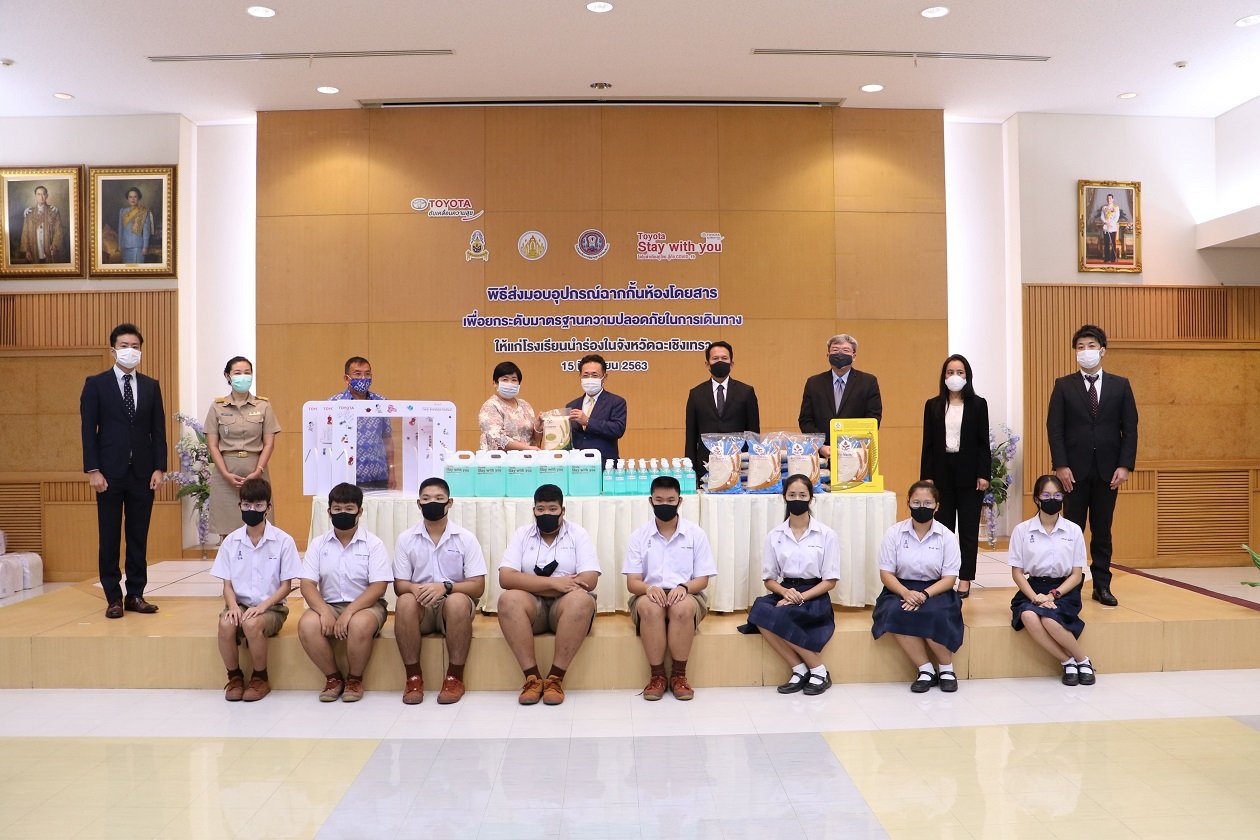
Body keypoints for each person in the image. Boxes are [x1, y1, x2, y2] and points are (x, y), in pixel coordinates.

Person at [80, 323, 167, 619]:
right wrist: (93, 470)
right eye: (124, 346)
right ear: (113, 350)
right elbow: (88, 431)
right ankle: (113, 597)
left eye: (135, 346)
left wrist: (159, 467)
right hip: (108, 473)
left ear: (141, 350)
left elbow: (158, 430)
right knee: (109, 537)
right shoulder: (96, 384)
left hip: (143, 473)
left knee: (138, 537)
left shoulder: (151, 386)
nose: (131, 351)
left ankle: (135, 594)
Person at [1046, 324, 1138, 606]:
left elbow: (1130, 429)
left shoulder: (1121, 385)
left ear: (1102, 351)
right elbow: (1055, 428)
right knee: (1071, 530)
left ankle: (1102, 585)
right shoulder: (1064, 385)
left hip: (1108, 471)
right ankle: (1070, 586)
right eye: (1080, 347)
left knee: (1102, 530)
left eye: (1091, 346)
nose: (1085, 351)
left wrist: (1125, 465)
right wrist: (1061, 465)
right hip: (1073, 472)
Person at [497, 484, 600, 706]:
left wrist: (528, 582)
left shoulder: (578, 534)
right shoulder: (522, 535)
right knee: (508, 599)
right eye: (541, 509)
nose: (546, 514)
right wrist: (555, 583)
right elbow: (506, 578)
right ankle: (532, 679)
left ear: (563, 510)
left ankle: (555, 679)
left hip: (564, 606)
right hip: (532, 606)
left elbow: (589, 579)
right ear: (533, 510)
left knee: (581, 600)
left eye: (552, 509)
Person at [393, 477, 486, 705]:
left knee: (457, 602)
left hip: (452, 604)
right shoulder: (406, 539)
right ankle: (413, 678)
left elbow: (478, 586)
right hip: (421, 605)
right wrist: (415, 588)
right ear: (418, 504)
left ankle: (454, 678)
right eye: (426, 499)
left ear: (449, 502)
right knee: (404, 601)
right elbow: (399, 585)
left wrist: (446, 587)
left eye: (438, 498)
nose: (432, 502)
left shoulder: (466, 538)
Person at [623, 476, 716, 701]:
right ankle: (657, 677)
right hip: (648, 594)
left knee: (681, 608)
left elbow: (702, 580)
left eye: (670, 500)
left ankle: (679, 676)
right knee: (651, 608)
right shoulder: (639, 536)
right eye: (659, 500)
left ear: (680, 501)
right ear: (651, 501)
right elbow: (632, 582)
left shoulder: (695, 534)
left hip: (687, 593)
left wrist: (684, 587)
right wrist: (647, 589)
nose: (665, 504)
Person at [747, 474, 840, 696]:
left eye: (802, 495)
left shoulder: (826, 534)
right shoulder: (774, 535)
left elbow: (830, 581)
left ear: (811, 498)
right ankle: (799, 669)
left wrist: (801, 597)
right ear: (784, 497)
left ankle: (819, 670)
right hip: (786, 590)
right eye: (792, 495)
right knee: (759, 611)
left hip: (814, 594)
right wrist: (785, 593)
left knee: (780, 615)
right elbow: (769, 579)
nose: (797, 499)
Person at [298, 483, 391, 702]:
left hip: (366, 606)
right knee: (307, 624)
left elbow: (379, 586)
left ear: (360, 511)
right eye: (337, 509)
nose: (343, 513)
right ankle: (333, 678)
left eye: (349, 509)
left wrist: (349, 612)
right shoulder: (318, 544)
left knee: (358, 624)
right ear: (329, 511)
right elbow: (307, 584)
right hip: (329, 604)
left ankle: (354, 680)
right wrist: (324, 612)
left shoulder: (373, 544)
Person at [210, 478, 299, 703]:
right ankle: (234, 677)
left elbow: (286, 587)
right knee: (225, 624)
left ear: (268, 507)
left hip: (272, 608)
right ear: (239, 505)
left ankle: (260, 678)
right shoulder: (231, 542)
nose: (252, 510)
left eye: (258, 505)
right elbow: (227, 585)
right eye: (247, 505)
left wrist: (262, 607)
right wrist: (232, 607)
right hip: (239, 604)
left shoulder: (284, 541)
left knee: (251, 624)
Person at [871, 482, 965, 693]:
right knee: (895, 611)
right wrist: (905, 593)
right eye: (916, 502)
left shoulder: (947, 536)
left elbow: (950, 578)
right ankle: (925, 670)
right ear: (908, 504)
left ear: (937, 506)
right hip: (900, 588)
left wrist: (924, 594)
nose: (922, 507)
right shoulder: (894, 533)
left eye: (927, 503)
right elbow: (886, 573)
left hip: (936, 589)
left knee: (935, 613)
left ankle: (946, 669)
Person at [1008, 475, 1096, 686]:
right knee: (1028, 615)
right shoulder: (1022, 530)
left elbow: (1076, 574)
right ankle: (1067, 661)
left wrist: (1052, 595)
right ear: (1037, 499)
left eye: (1057, 496)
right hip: (1033, 588)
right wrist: (1036, 597)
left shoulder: (1073, 530)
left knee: (1049, 619)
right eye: (1046, 495)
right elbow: (1017, 573)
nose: (1052, 500)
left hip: (1064, 589)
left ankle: (1083, 660)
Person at [919, 354, 991, 597]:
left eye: (960, 372)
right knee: (943, 529)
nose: (955, 377)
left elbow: (983, 443)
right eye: (950, 372)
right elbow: (927, 443)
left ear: (967, 376)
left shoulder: (978, 404)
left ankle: (966, 578)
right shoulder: (933, 405)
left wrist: (984, 473)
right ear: (944, 376)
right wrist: (927, 476)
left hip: (970, 473)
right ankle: (944, 577)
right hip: (941, 472)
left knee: (968, 529)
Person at [205, 356, 280, 541]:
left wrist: (258, 471)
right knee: (227, 529)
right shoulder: (217, 406)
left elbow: (269, 443)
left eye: (247, 373)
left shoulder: (263, 405)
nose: (243, 377)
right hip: (226, 472)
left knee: (260, 526)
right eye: (237, 373)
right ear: (227, 376)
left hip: (256, 470)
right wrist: (225, 473)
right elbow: (212, 445)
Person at [684, 341, 760, 485]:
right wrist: (690, 471)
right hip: (705, 466)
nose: (720, 362)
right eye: (715, 358)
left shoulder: (746, 392)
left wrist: (754, 467)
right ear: (707, 364)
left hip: (739, 466)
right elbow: (690, 438)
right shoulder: (696, 394)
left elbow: (753, 435)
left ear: (732, 363)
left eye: (724, 358)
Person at [799, 334, 883, 458]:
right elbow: (805, 420)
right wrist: (820, 446)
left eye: (845, 350)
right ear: (828, 355)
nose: (840, 354)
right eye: (835, 350)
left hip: (856, 453)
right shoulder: (814, 383)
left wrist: (853, 445)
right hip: (822, 455)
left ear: (854, 356)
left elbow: (873, 418)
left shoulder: (868, 382)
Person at [329, 356, 397, 489]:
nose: (363, 378)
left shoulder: (381, 403)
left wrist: (392, 471)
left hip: (378, 475)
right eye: (358, 374)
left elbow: (387, 438)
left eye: (367, 374)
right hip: (346, 477)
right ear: (347, 378)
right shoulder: (334, 404)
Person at [566, 354, 627, 463]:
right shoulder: (572, 405)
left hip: (604, 464)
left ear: (604, 377)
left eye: (594, 375)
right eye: (585, 375)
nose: (590, 379)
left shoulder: (616, 402)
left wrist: (588, 421)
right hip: (577, 465)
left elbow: (617, 429)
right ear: (580, 376)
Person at [478, 361, 542, 450]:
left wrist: (538, 428)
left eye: (514, 380)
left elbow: (534, 441)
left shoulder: (525, 406)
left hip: (526, 457)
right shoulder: (490, 406)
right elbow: (495, 438)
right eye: (505, 380)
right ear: (495, 383)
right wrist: (527, 449)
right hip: (500, 458)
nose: (510, 383)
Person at [19, 185, 66, 263]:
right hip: (34, 248)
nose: (41, 197)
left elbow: (58, 231)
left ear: (47, 196)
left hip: (49, 248)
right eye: (39, 194)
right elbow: (25, 233)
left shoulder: (53, 211)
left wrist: (54, 245)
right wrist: (27, 250)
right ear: (35, 196)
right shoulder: (29, 213)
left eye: (43, 194)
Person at [117, 187, 153, 263]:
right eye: (130, 197)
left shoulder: (144, 211)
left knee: (136, 269)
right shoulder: (122, 211)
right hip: (125, 246)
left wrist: (145, 247)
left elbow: (146, 232)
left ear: (138, 198)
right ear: (127, 198)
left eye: (135, 197)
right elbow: (120, 229)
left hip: (138, 247)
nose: (132, 199)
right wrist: (120, 245)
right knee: (127, 269)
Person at [1099, 193, 1121, 263]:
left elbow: (1116, 217)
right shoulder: (1104, 208)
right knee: (1106, 243)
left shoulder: (1116, 207)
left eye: (1110, 198)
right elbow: (1102, 216)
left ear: (1112, 199)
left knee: (1113, 242)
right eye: (1108, 198)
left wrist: (1110, 224)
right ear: (1106, 199)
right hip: (1106, 227)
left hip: (1112, 227)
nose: (1109, 200)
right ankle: (1107, 258)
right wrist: (1105, 222)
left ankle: (1113, 258)